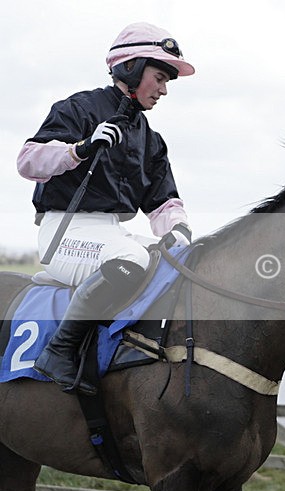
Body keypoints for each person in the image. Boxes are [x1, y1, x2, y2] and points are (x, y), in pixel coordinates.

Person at [17, 22, 195, 395]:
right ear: (130, 68)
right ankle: (59, 351)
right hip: (65, 231)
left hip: (111, 232)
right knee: (132, 258)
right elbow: (27, 161)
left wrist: (178, 230)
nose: (163, 90)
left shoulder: (150, 139)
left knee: (170, 264)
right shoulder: (78, 109)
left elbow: (164, 201)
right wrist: (78, 149)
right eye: (159, 78)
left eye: (167, 82)